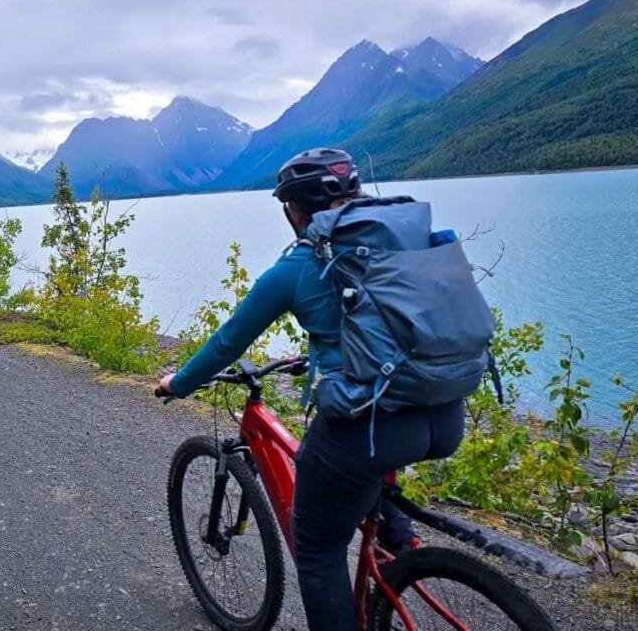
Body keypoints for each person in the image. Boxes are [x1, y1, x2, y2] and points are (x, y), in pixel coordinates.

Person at [156, 148, 465, 631]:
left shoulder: (298, 267)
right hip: (445, 412)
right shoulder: (402, 242)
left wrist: (179, 382)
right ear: (357, 193)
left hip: (369, 429)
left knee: (318, 547)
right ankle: (398, 554)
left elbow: (227, 343)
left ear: (291, 210)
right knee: (366, 488)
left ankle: (388, 560)